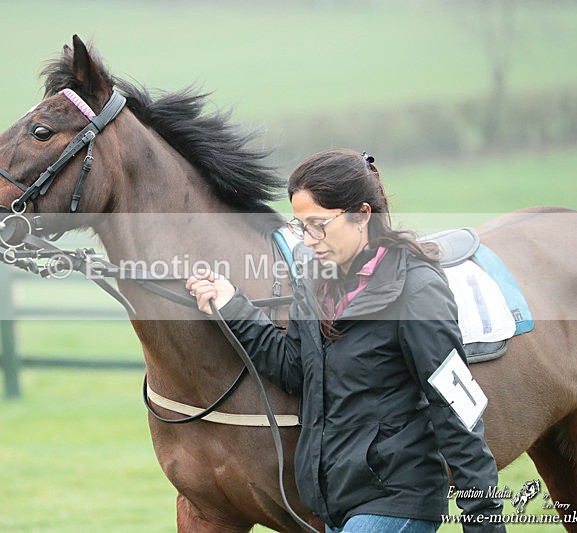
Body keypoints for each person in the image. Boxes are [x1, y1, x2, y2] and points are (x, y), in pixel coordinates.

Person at [186, 149, 505, 532]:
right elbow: (294, 370)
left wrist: (484, 523)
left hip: (396, 501)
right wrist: (232, 304)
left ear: (362, 215)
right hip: (337, 506)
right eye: (301, 226)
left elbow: (457, 412)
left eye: (319, 224)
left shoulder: (417, 290)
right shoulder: (316, 283)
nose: (309, 240)